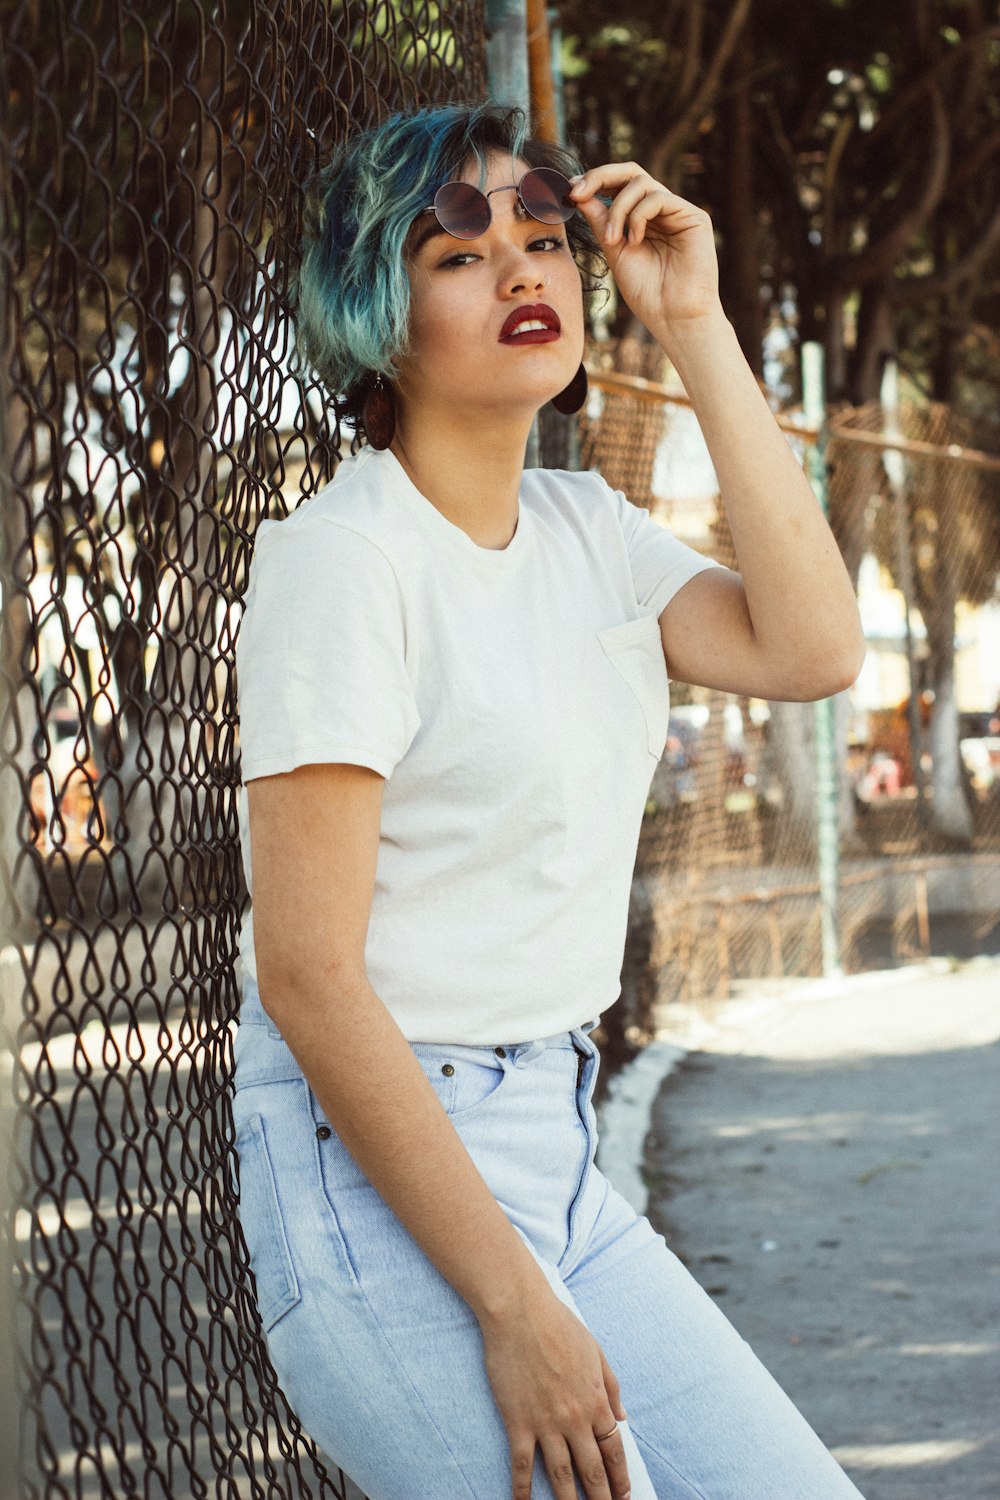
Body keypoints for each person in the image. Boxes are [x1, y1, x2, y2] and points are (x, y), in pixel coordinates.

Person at [231, 101, 868, 1500]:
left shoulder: (590, 536)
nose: (522, 269)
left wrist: (694, 324)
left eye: (544, 234)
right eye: (457, 251)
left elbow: (815, 649)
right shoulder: (344, 562)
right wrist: (515, 1310)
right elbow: (310, 976)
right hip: (382, 1182)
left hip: (558, 1154)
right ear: (372, 309)